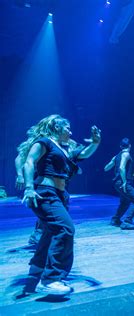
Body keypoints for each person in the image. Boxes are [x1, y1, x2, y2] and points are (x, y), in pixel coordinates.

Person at [21, 114, 101, 295]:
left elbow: (83, 154)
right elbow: (29, 162)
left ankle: (36, 272)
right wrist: (28, 187)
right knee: (65, 229)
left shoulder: (64, 150)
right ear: (57, 127)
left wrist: (95, 143)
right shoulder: (44, 142)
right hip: (45, 192)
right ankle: (50, 280)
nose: (71, 132)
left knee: (50, 233)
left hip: (61, 195)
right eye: (67, 128)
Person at [104, 138, 134, 230]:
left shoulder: (116, 156)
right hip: (123, 182)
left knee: (125, 202)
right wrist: (124, 181)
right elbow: (121, 168)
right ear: (130, 146)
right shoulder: (126, 154)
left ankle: (115, 219)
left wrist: (114, 161)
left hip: (117, 183)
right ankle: (127, 221)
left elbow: (106, 168)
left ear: (120, 146)